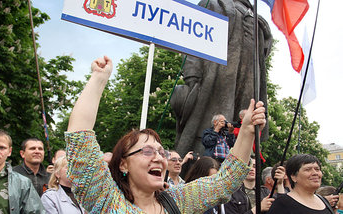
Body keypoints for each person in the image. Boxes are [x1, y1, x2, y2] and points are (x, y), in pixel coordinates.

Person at [65, 56, 267, 213]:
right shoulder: (106, 201)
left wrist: (248, 130)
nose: (158, 158)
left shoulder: (178, 199)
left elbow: (226, 181)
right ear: (123, 164)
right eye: (146, 151)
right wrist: (99, 79)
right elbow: (80, 141)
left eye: (161, 152)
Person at [170, 0, 273, 160]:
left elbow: (262, 54)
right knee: (208, 121)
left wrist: (265, 34)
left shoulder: (255, 16)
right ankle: (202, 165)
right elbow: (193, 37)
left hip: (247, 78)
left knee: (243, 124)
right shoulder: (213, 3)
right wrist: (192, 74)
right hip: (217, 78)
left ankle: (241, 164)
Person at [267, 154, 334, 214]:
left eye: (317, 169)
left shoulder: (324, 201)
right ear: (293, 177)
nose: (315, 173)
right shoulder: (282, 203)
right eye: (308, 169)